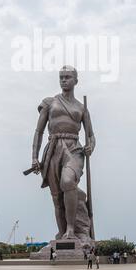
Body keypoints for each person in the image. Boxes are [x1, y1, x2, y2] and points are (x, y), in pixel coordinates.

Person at [31, 66, 96, 240]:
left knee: (68, 181)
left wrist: (91, 146)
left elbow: (90, 135)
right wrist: (35, 157)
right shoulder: (49, 102)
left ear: (76, 80)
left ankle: (71, 229)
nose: (63, 80)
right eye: (61, 77)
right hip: (53, 148)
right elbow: (38, 131)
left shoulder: (82, 108)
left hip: (74, 148)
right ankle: (62, 233)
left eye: (67, 77)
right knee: (56, 196)